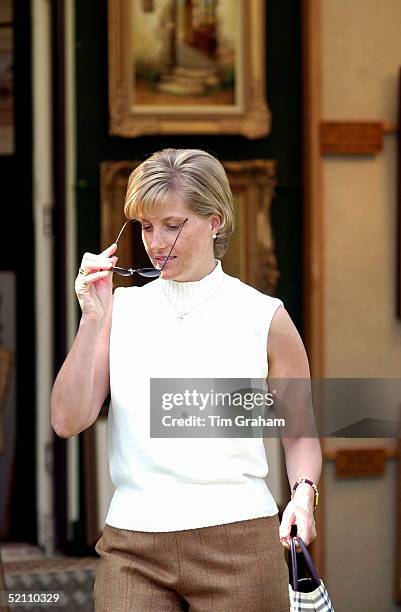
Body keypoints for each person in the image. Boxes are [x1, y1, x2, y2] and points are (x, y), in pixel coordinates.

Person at [51, 148, 322, 611]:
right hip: (132, 546)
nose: (157, 242)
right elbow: (67, 420)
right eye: (146, 226)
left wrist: (303, 498)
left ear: (214, 221)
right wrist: (92, 318)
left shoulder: (265, 317)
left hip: (240, 541)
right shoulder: (120, 312)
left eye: (173, 225)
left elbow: (299, 432)